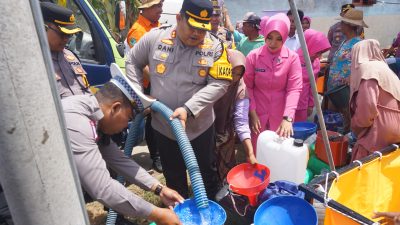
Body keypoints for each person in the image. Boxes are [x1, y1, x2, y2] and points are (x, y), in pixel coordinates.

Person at [125, 0, 232, 199]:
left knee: (207, 174)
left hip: (199, 128)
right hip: (164, 127)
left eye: (202, 29)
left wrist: (188, 109)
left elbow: (220, 83)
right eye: (192, 27)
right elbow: (132, 60)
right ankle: (179, 213)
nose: (197, 34)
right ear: (179, 18)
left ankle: (211, 212)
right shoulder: (155, 38)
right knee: (173, 177)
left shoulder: (215, 46)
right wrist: (138, 94)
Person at [63, 74, 184, 225]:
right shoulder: (78, 123)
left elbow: (119, 160)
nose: (126, 126)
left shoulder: (94, 113)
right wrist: (159, 215)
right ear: (116, 108)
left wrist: (159, 188)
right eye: (128, 119)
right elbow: (103, 188)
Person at [244, 13, 302, 151]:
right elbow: (247, 86)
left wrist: (288, 118)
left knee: (279, 151)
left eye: (278, 39)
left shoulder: (292, 58)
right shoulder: (253, 56)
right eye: (269, 38)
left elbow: (294, 89)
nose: (273, 43)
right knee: (257, 150)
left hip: (281, 114)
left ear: (285, 37)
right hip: (257, 112)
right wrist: (252, 113)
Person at [126, 0, 164, 173]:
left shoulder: (159, 26)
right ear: (146, 8)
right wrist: (158, 82)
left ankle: (164, 153)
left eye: (161, 5)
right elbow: (141, 64)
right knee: (152, 119)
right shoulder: (137, 31)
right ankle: (156, 156)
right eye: (157, 6)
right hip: (149, 84)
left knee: (163, 118)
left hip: (161, 80)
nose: (160, 9)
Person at [349, 39, 400, 161]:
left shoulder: (367, 69)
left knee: (365, 165)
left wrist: (355, 125)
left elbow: (367, 107)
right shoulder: (386, 69)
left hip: (380, 129)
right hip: (396, 128)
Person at [214, 49, 256, 180]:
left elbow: (241, 121)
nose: (234, 77)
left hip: (225, 128)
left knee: (225, 167)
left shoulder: (241, 88)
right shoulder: (211, 80)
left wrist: (250, 152)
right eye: (231, 71)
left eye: (239, 74)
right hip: (204, 127)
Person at [326, 8, 368, 133]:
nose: (340, 25)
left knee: (347, 119)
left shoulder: (359, 44)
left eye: (342, 23)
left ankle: (347, 145)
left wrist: (351, 77)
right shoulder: (345, 41)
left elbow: (364, 66)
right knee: (336, 120)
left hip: (345, 91)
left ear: (349, 25)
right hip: (335, 89)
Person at [41, 2, 91, 99]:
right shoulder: (35, 61)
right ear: (43, 28)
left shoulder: (71, 57)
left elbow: (87, 92)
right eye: (62, 34)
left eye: (69, 35)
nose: (66, 39)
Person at [295, 29, 331, 122]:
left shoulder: (316, 62)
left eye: (321, 52)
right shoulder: (294, 59)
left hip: (303, 104)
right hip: (289, 103)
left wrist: (310, 104)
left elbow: (313, 85)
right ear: (309, 46)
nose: (319, 56)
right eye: (317, 52)